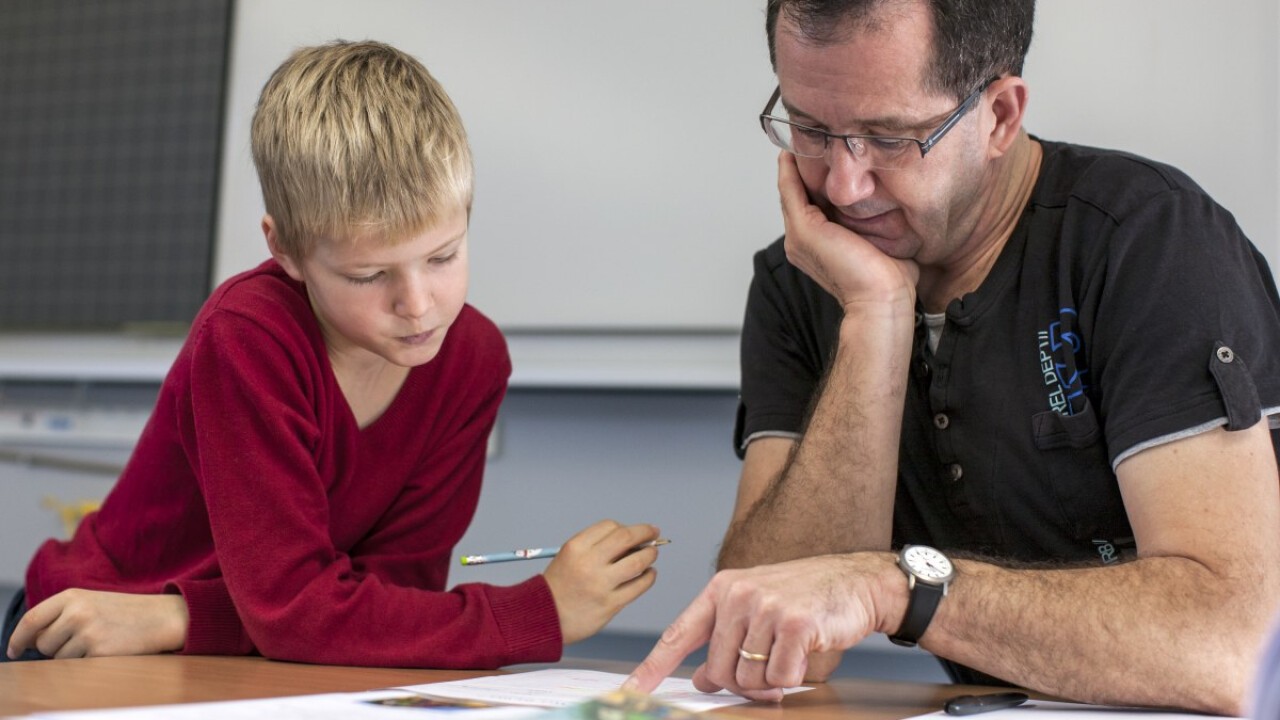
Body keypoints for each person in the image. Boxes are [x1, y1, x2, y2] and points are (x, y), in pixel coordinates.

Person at [625, 0, 1280, 715]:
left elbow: (1231, 645)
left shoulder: (1150, 242)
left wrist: (896, 588)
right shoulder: (804, 278)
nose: (843, 186)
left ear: (999, 115)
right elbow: (773, 647)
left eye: (890, 138)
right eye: (811, 129)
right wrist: (875, 319)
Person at [3, 40, 661, 668]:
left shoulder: (474, 360)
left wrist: (184, 619)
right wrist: (536, 612)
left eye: (443, 257)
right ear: (284, 248)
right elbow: (296, 610)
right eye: (369, 276)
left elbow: (389, 597)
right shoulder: (250, 336)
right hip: (89, 626)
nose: (419, 305)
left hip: (231, 643)